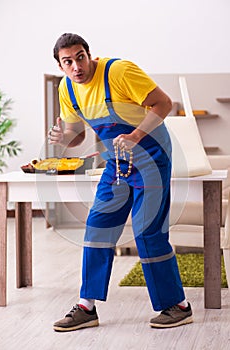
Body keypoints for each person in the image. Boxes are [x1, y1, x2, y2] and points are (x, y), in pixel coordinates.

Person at [49, 33, 193, 331]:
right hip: (118, 163)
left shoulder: (119, 71)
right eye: (68, 61)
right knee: (97, 227)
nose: (76, 66)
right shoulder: (68, 89)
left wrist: (136, 135)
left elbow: (164, 104)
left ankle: (177, 305)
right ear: (61, 66)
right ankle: (87, 307)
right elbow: (76, 136)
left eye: (80, 57)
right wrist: (63, 138)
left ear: (89, 55)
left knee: (147, 232)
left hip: (152, 157)